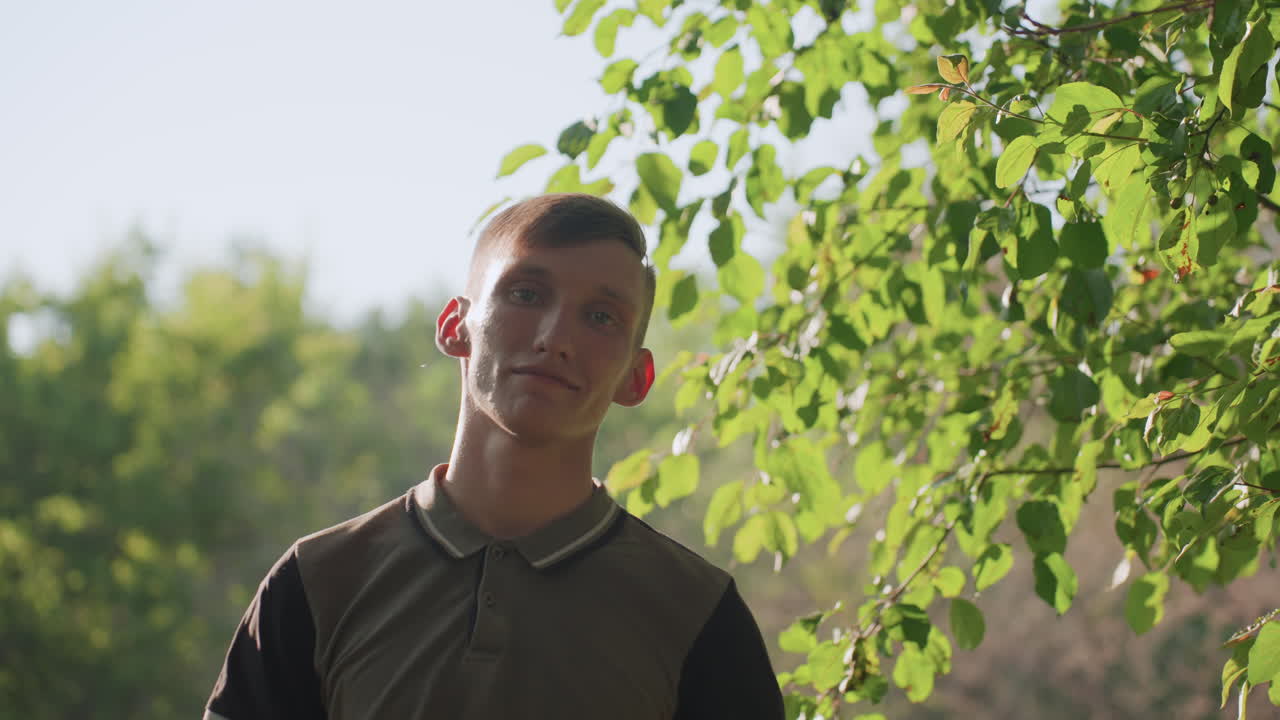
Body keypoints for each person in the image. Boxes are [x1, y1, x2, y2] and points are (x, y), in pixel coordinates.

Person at [203, 193, 785, 719]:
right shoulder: (317, 581)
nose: (556, 336)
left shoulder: (697, 613)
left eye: (601, 316)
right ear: (457, 326)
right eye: (526, 294)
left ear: (637, 377)